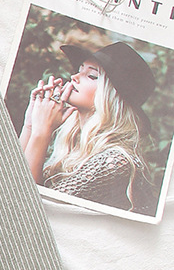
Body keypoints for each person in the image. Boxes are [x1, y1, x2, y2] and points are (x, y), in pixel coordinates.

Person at [20, 41, 156, 215]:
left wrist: (41, 132)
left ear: (111, 98)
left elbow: (28, 206)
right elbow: (10, 182)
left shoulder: (115, 162)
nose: (74, 77)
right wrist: (31, 125)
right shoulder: (76, 147)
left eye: (92, 76)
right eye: (79, 69)